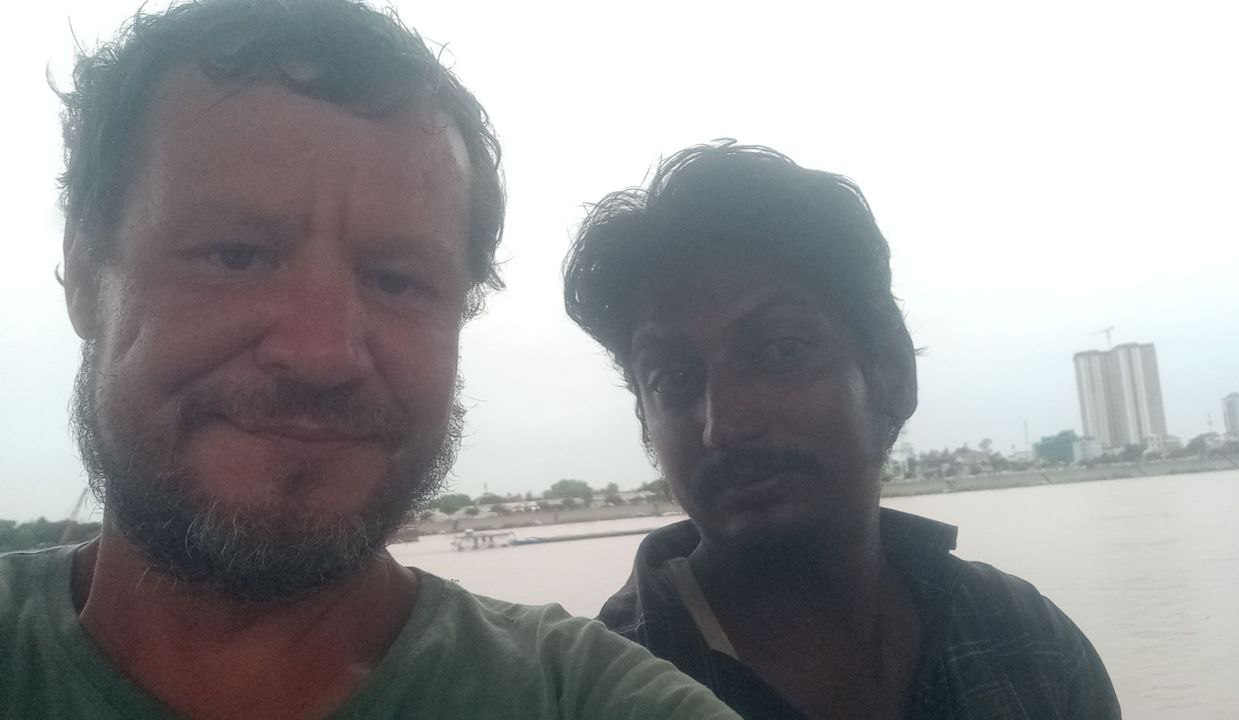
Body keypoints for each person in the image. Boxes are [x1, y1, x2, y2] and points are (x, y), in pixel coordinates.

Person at [0, 3, 742, 718]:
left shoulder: (582, 696)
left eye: (397, 280)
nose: (323, 354)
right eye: (235, 255)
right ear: (86, 275)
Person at [563, 141, 1123, 719]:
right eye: (673, 378)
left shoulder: (1027, 642)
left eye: (781, 350)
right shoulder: (590, 697)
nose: (724, 425)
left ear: (892, 373)